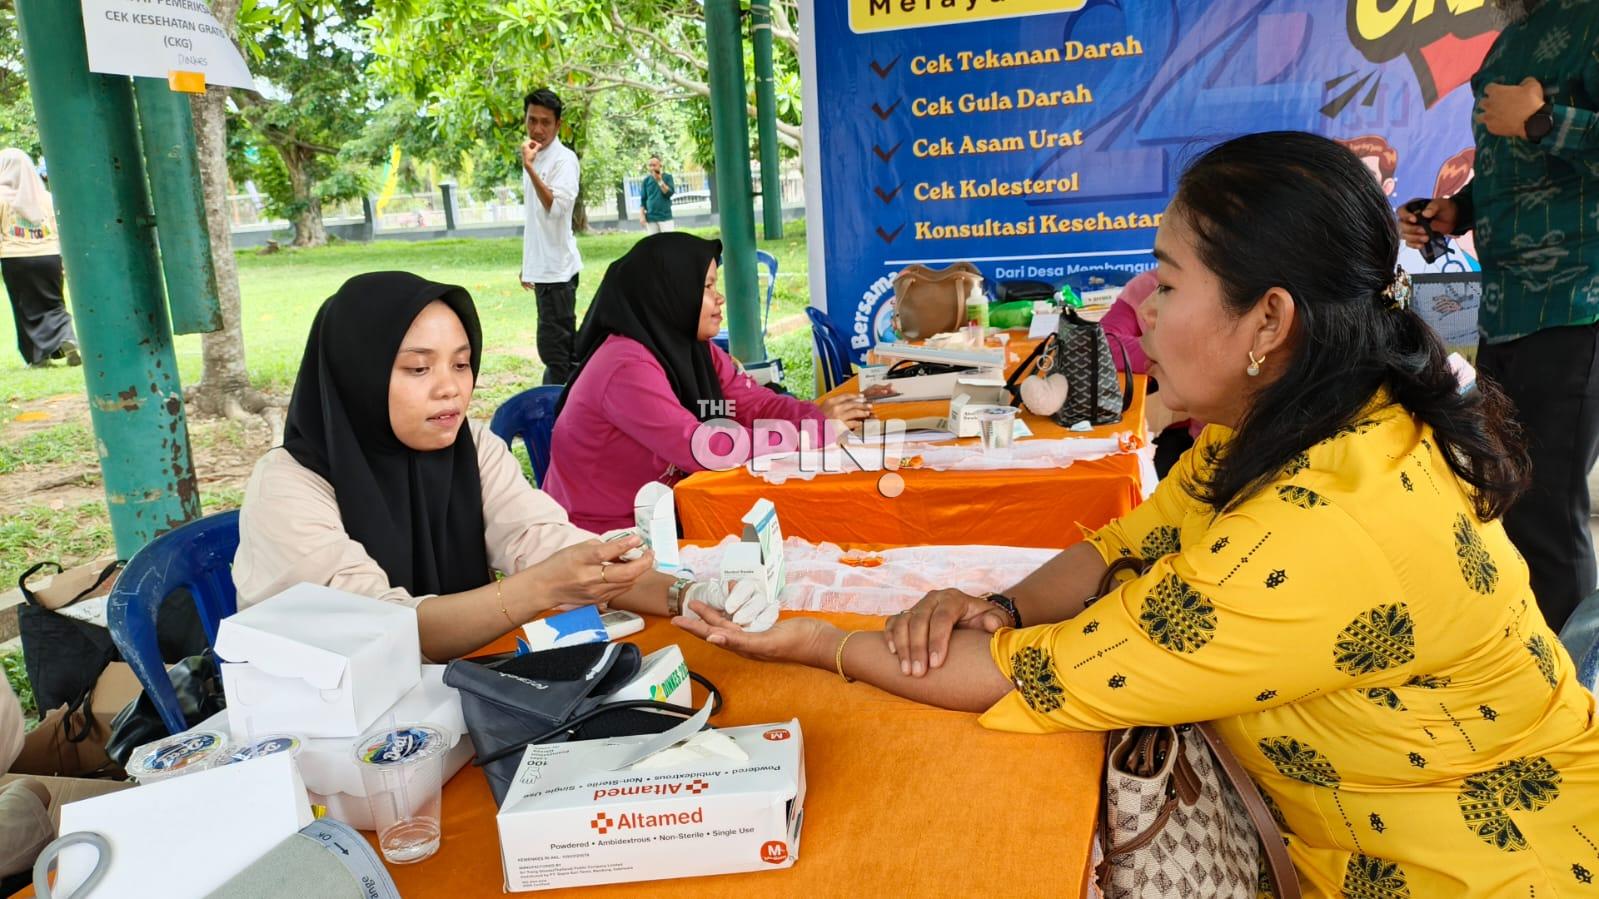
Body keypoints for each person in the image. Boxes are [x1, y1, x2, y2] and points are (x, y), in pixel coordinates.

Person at [674, 132, 1599, 896]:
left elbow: (1027, 677)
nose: (1143, 316)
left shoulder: (1312, 528)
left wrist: (811, 644)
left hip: (1487, 871)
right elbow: (1123, 539)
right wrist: (999, 606)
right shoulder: (1302, 424)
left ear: (1268, 321)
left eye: (1164, 283)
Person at [233, 272, 779, 661]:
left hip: (456, 694)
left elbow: (545, 543)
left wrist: (687, 594)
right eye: (418, 368)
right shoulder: (288, 487)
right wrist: (536, 591)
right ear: (356, 373)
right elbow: (382, 631)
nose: (450, 387)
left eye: (462, 362)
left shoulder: (467, 445)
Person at [1400, 0, 1599, 634]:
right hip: (1508, 310)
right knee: (1505, 495)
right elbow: (1513, 171)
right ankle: (1522, 664)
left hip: (1577, 305)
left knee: (1544, 509)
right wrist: (1457, 212)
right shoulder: (1510, 39)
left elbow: (1541, 135)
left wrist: (1545, 122)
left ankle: (1573, 698)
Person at [544, 233, 871, 532]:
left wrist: (813, 417)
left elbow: (753, 404)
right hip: (603, 537)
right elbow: (704, 448)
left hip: (669, 515)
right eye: (707, 287)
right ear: (669, 291)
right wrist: (809, 434)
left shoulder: (693, 350)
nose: (720, 299)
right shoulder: (625, 368)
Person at [518, 88, 583, 386]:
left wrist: (530, 168)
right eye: (532, 120)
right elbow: (535, 220)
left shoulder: (563, 161)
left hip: (558, 273)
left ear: (558, 125)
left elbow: (556, 209)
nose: (538, 129)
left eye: (546, 122)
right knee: (557, 350)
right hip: (543, 270)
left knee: (558, 353)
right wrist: (528, 263)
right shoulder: (534, 155)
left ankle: (560, 417)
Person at [0, 148, 78, 368]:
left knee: (24, 307)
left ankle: (37, 358)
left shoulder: (1, 197)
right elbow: (57, 229)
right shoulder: (46, 198)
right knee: (54, 303)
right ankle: (67, 337)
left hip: (16, 258)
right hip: (49, 256)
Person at [637, 155, 676, 234]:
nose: (652, 168)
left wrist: (659, 181)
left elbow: (669, 193)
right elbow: (643, 200)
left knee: (668, 242)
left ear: (660, 165)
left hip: (665, 217)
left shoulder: (667, 177)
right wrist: (642, 215)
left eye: (654, 165)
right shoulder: (646, 181)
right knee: (654, 243)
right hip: (651, 218)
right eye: (650, 165)